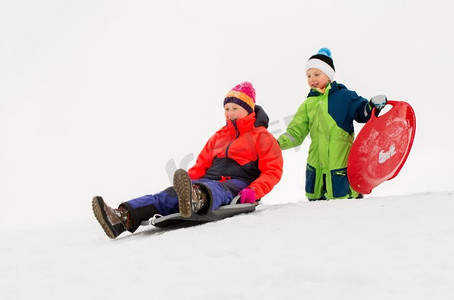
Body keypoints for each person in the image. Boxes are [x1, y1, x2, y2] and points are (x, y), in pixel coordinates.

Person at [92, 81, 283, 239]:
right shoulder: (219, 136)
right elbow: (201, 165)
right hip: (208, 179)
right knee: (166, 196)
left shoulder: (262, 137)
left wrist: (254, 190)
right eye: (226, 108)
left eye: (235, 108)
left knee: (217, 190)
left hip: (238, 184)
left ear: (249, 110)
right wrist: (182, 186)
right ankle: (121, 217)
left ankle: (196, 198)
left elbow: (272, 170)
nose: (229, 113)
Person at [277, 48, 387, 200]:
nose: (311, 79)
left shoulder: (345, 97)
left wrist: (372, 106)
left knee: (342, 210)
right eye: (308, 75)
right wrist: (275, 144)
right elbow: (296, 133)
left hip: (340, 166)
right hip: (316, 169)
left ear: (328, 75)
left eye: (316, 74)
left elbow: (363, 113)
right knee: (317, 212)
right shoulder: (308, 104)